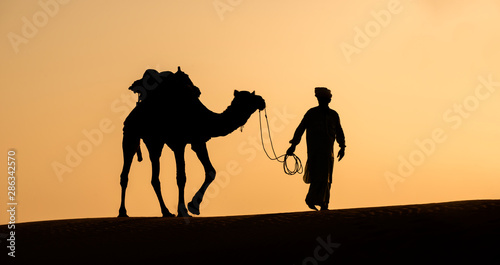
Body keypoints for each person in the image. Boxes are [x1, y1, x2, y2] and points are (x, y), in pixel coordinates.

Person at [287, 87, 346, 211]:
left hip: (328, 152)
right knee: (317, 176)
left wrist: (342, 146)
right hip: (315, 152)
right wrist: (293, 145)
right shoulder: (311, 113)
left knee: (327, 178)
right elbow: (301, 129)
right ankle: (312, 200)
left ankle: (324, 203)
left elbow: (339, 132)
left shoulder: (333, 115)